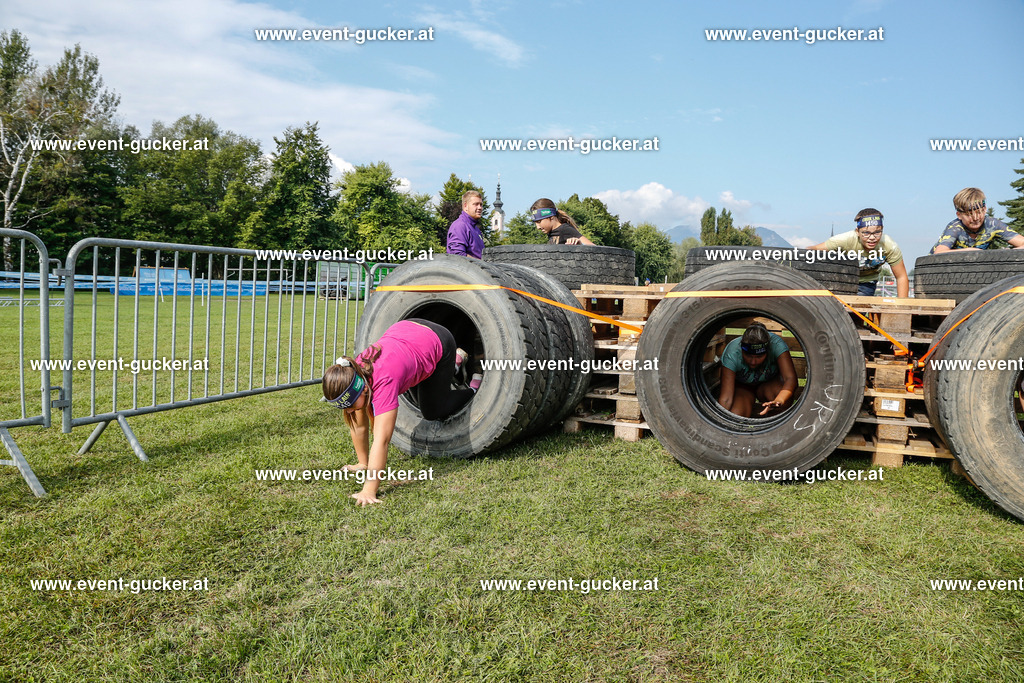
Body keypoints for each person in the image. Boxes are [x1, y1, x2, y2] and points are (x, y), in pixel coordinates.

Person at [322, 318, 481, 506]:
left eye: (349, 404)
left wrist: (369, 490)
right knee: (419, 386)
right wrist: (362, 463)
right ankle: (454, 365)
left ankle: (472, 386)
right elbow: (359, 425)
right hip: (409, 332)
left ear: (363, 389)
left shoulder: (384, 382)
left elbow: (382, 440)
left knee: (432, 409)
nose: (348, 409)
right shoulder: (353, 372)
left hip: (438, 339)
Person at [810, 208, 909, 297]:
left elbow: (901, 276)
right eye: (866, 233)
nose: (872, 238)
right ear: (857, 231)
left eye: (877, 232)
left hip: (867, 282)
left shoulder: (889, 246)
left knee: (857, 314)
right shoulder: (843, 240)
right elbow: (810, 251)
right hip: (842, 279)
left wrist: (902, 307)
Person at [718, 322, 798, 418]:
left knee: (784, 398)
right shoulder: (732, 352)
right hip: (743, 388)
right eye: (748, 355)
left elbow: (790, 378)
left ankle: (774, 427)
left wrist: (779, 400)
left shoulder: (776, 344)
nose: (753, 362)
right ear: (741, 350)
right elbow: (726, 398)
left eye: (759, 356)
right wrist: (719, 422)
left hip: (768, 384)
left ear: (768, 351)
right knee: (736, 414)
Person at [931, 187, 1024, 253]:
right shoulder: (955, 228)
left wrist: (1006, 253)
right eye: (969, 214)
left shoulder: (993, 224)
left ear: (985, 209)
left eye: (979, 212)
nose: (975, 218)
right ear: (959, 215)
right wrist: (971, 251)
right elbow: (939, 252)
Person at [530, 198, 595, 245]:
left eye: (539, 222)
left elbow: (594, 249)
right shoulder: (552, 233)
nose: (537, 227)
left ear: (551, 217)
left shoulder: (565, 229)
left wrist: (580, 245)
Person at [446, 190, 485, 259]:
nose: (480, 208)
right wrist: (482, 264)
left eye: (481, 204)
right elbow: (457, 255)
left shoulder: (476, 229)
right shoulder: (460, 226)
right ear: (465, 206)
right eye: (476, 204)